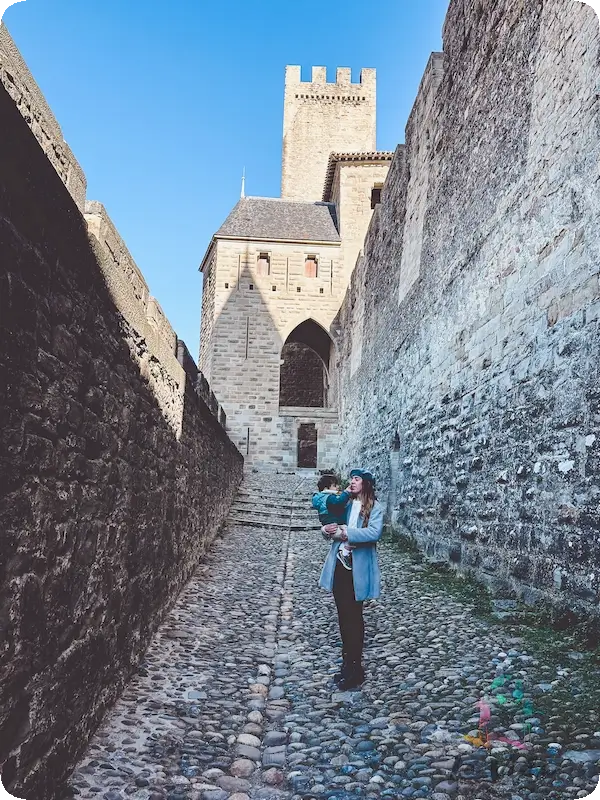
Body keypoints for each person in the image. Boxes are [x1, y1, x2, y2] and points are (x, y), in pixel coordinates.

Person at [319, 468, 383, 691]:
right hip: (339, 566)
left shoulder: (375, 507)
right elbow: (330, 524)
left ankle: (356, 668)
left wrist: (348, 533)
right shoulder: (345, 504)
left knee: (354, 618)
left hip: (358, 569)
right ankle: (347, 665)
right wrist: (326, 530)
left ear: (366, 483)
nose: (352, 482)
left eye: (357, 479)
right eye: (352, 478)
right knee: (343, 618)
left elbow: (374, 533)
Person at [311, 474, 353, 569]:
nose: (338, 487)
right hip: (334, 525)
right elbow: (339, 503)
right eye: (335, 485)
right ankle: (344, 553)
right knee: (348, 535)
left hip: (333, 524)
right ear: (327, 488)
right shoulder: (329, 497)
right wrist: (346, 493)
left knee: (347, 533)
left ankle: (344, 552)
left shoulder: (320, 498)